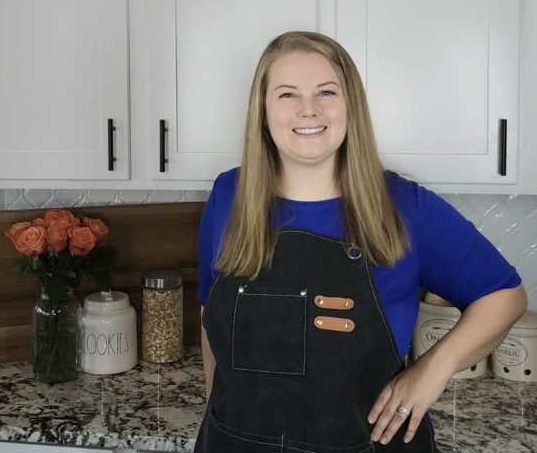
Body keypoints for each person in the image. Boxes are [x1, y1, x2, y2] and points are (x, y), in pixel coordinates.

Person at [194, 31, 527, 452]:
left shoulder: (404, 207)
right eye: (287, 95)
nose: (308, 110)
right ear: (262, 112)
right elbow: (212, 318)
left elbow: (504, 296)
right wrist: (221, 418)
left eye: (326, 91)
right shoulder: (228, 196)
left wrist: (432, 370)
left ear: (350, 104)